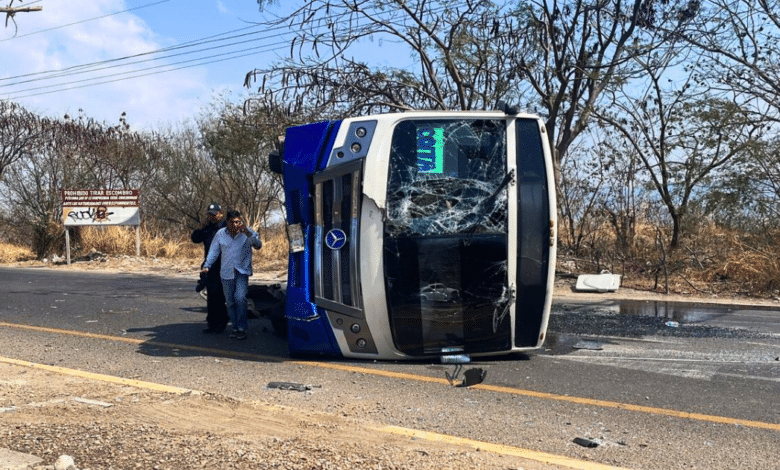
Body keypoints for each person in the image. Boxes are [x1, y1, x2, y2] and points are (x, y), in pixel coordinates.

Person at [201, 210, 262, 340]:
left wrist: (248, 234)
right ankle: (235, 327)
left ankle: (241, 328)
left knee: (240, 298)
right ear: (228, 222)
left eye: (239, 221)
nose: (237, 224)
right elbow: (214, 251)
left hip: (242, 271)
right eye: (233, 222)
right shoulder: (220, 234)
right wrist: (207, 265)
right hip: (226, 272)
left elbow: (258, 245)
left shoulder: (247, 232)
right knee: (230, 302)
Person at [191, 203, 229, 334]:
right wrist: (201, 226)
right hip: (210, 266)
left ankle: (223, 322)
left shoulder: (227, 227)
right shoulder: (207, 228)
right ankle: (213, 324)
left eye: (214, 214)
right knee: (212, 296)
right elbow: (195, 238)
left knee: (220, 295)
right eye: (210, 214)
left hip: (225, 265)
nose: (212, 216)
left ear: (221, 213)